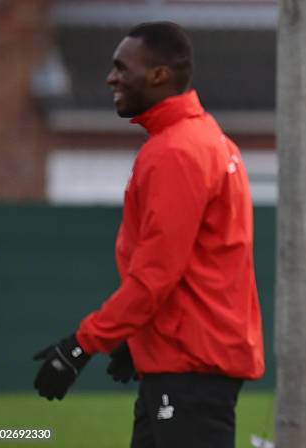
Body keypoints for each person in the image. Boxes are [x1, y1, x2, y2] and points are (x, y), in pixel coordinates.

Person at [33, 22, 264, 448]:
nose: (111, 77)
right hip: (188, 366)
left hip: (189, 371)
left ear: (159, 75)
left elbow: (156, 275)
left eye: (122, 67)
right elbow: (192, 266)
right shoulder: (205, 139)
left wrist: (80, 347)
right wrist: (137, 340)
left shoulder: (176, 151)